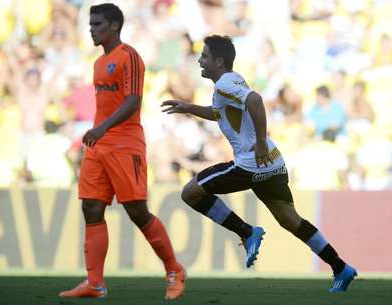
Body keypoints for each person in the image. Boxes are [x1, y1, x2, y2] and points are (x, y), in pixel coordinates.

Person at [161, 35, 357, 292]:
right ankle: (341, 267)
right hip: (272, 163)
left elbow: (255, 100)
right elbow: (217, 112)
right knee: (290, 220)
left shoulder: (224, 85)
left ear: (219, 61)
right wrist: (189, 107)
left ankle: (246, 231)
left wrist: (261, 141)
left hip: (250, 165)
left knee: (190, 193)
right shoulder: (229, 82)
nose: (200, 60)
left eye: (205, 56)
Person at [59, 3, 185, 300]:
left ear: (115, 26)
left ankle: (174, 268)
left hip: (125, 144)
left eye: (98, 24)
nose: (92, 29)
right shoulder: (98, 62)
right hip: (98, 145)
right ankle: (95, 283)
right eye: (91, 25)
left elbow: (133, 101)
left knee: (137, 212)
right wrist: (98, 131)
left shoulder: (129, 57)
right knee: (91, 207)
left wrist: (102, 128)